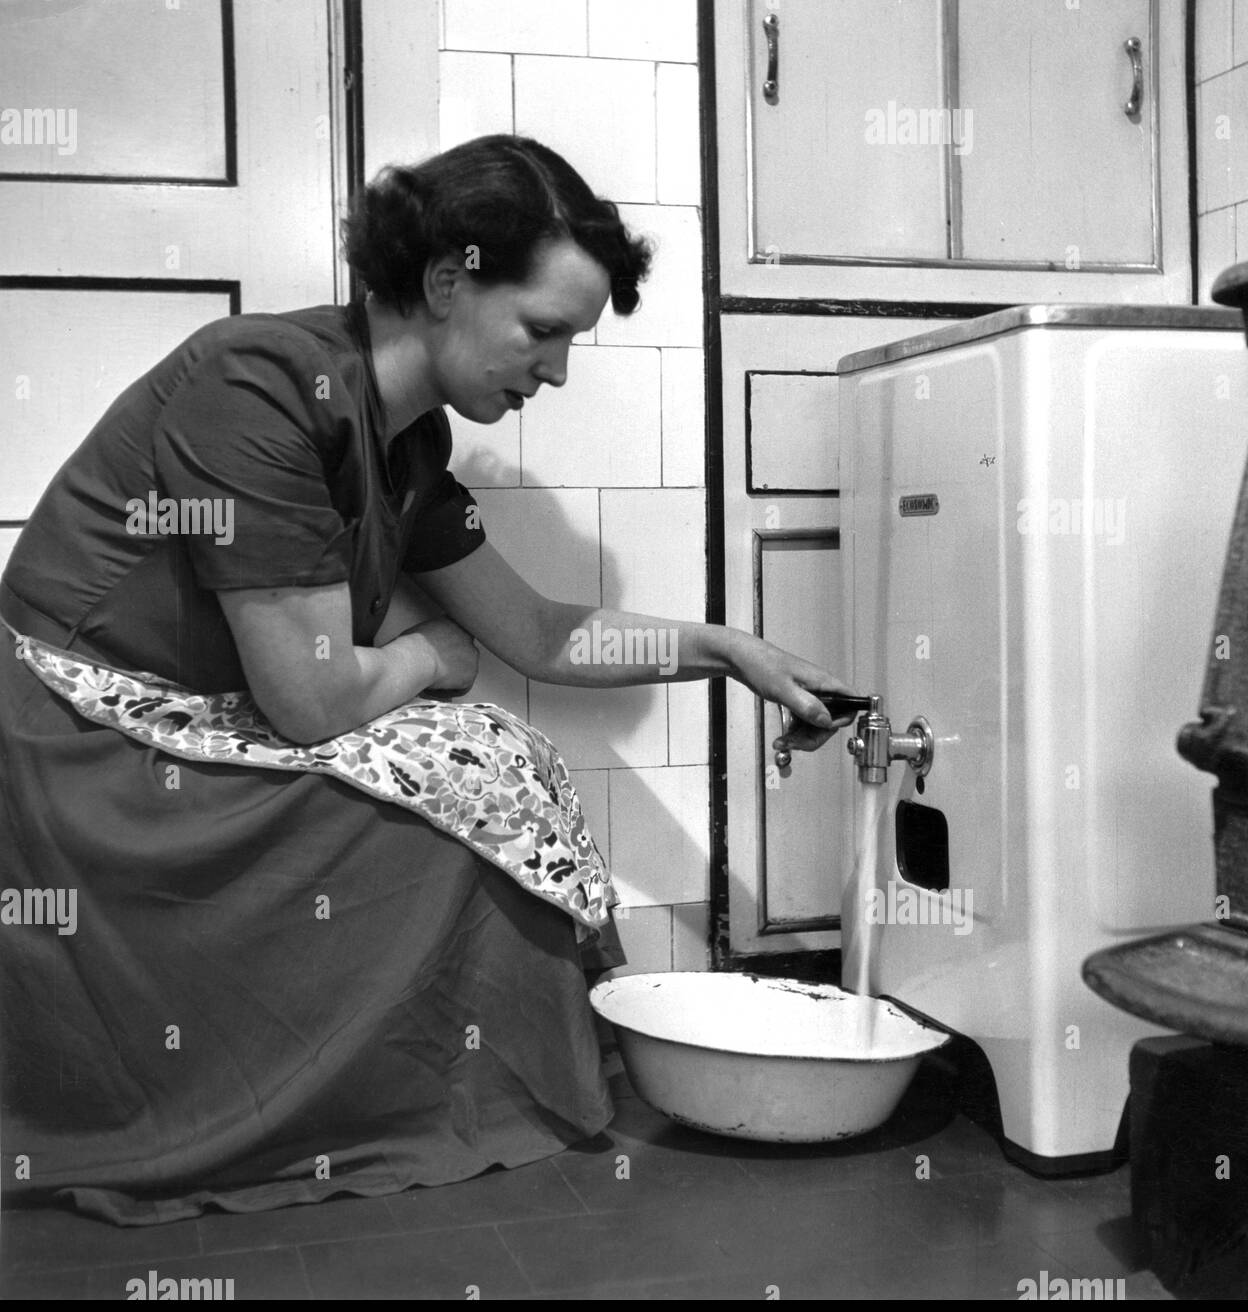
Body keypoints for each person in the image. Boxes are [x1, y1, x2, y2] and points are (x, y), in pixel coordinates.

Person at [0, 134, 850, 1225]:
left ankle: (440, 1087)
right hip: (82, 736)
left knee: (505, 756)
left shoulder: (410, 441)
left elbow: (539, 632)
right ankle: (374, 1097)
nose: (554, 371)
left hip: (189, 712)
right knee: (465, 782)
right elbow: (311, 701)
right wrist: (433, 656)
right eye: (543, 331)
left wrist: (730, 649)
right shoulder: (255, 383)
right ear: (449, 279)